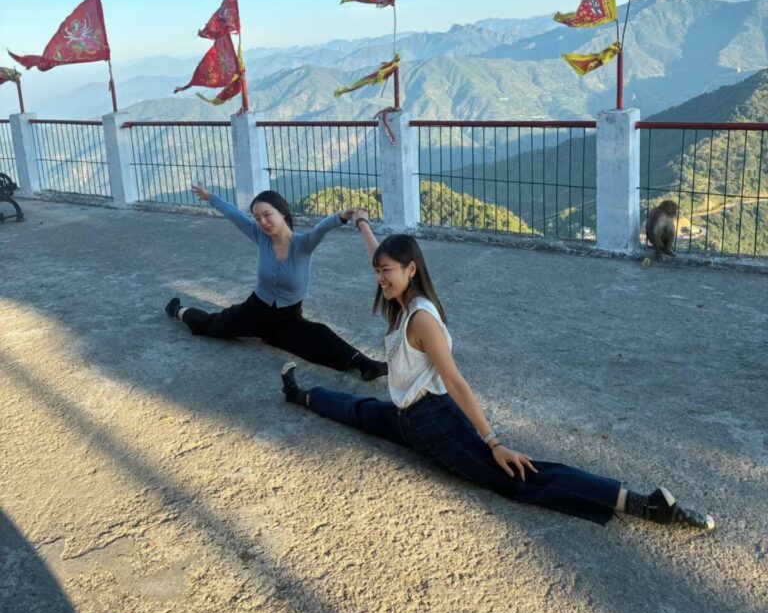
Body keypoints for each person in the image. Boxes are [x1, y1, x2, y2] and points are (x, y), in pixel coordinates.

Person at [280, 213, 715, 530]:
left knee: (518, 478)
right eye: (378, 271)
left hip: (434, 421)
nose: (379, 278)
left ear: (411, 270)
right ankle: (300, 395)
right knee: (358, 411)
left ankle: (639, 504)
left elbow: (454, 381)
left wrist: (494, 443)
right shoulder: (399, 297)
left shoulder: (421, 318)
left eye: (387, 272)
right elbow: (378, 258)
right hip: (405, 415)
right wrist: (361, 225)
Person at [164, 186, 387, 381]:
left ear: (282, 212)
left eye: (267, 215)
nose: (262, 222)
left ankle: (367, 365)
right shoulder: (259, 236)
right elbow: (232, 213)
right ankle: (178, 310)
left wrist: (342, 215)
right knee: (212, 325)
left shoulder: (303, 244)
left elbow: (322, 227)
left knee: (319, 338)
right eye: (257, 217)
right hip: (254, 310)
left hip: (288, 318)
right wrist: (209, 197)